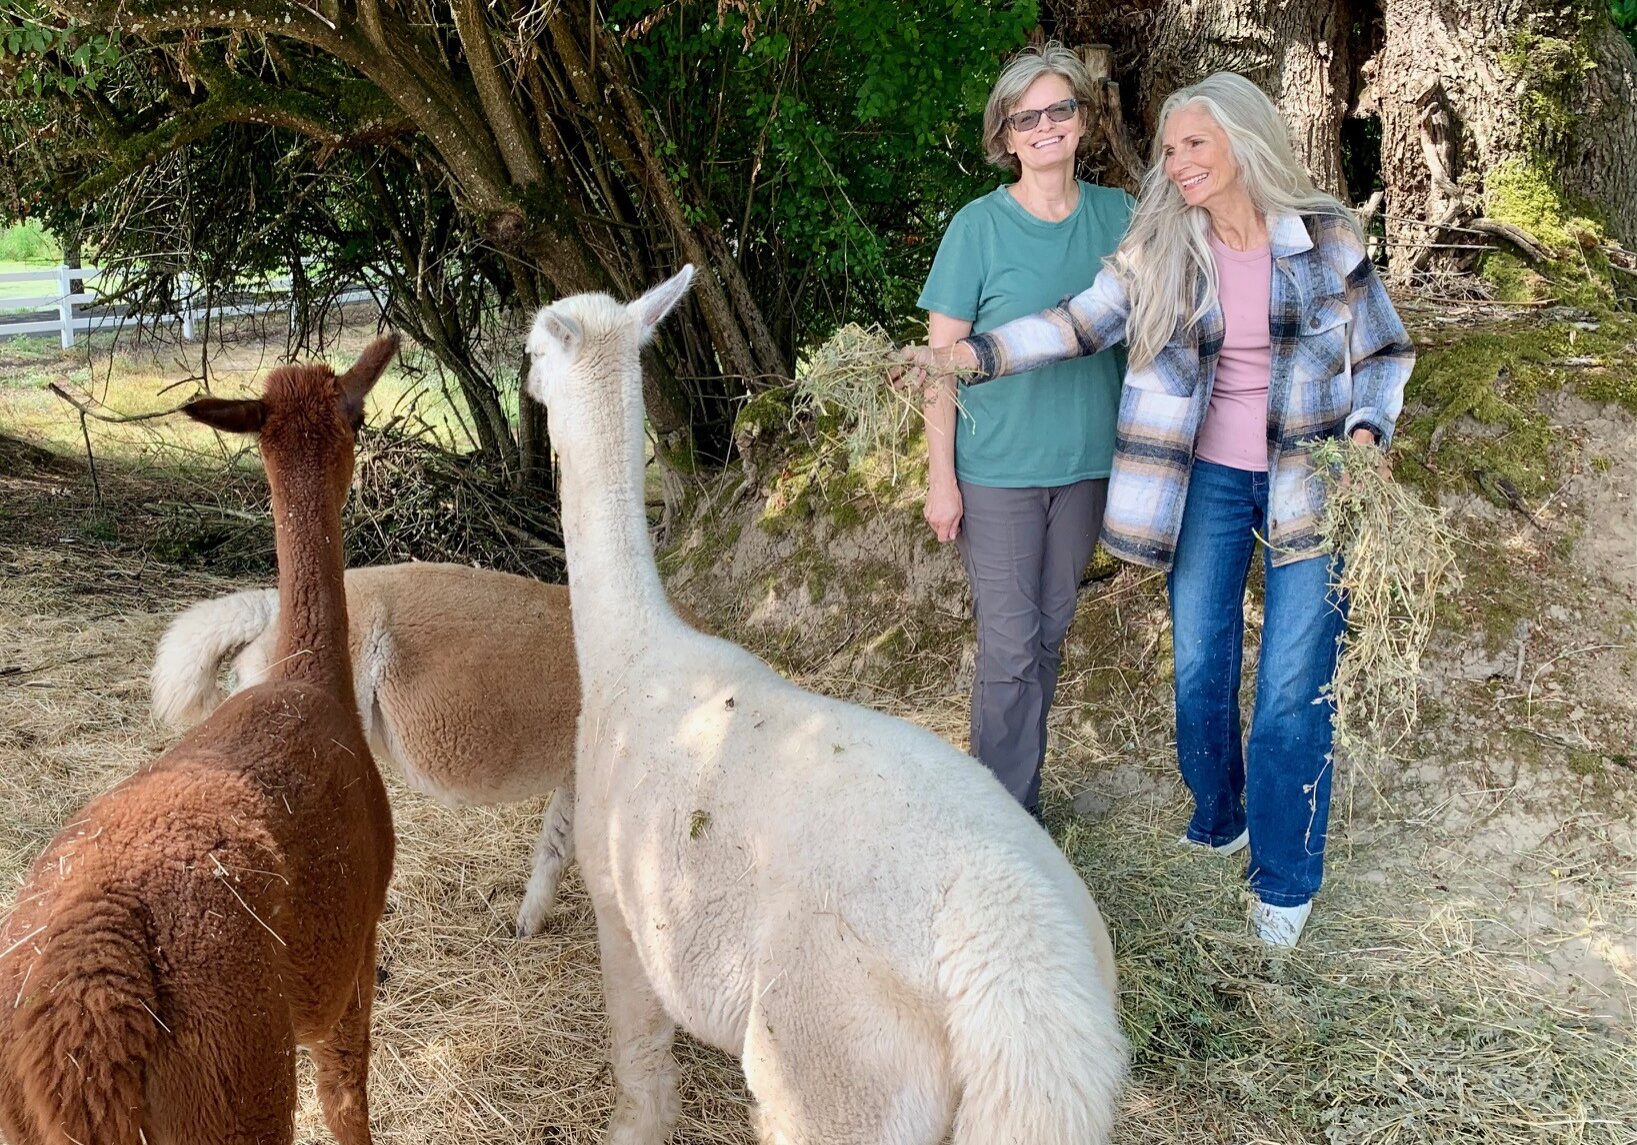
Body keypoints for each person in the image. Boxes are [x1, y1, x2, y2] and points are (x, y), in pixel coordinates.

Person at [901, 72, 1414, 947]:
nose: (1175, 164)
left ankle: (1283, 878)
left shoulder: (1323, 235)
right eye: (1169, 148)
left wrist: (1364, 435)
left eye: (1193, 146)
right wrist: (965, 359)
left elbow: (1383, 350)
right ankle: (1220, 817)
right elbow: (1073, 323)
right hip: (1206, 479)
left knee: (1292, 682)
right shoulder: (1161, 245)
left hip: (1308, 477)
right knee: (1199, 670)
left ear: (1243, 143)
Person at [917, 43, 1133, 820]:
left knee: (1047, 637)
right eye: (1026, 117)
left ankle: (1011, 797)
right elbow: (941, 364)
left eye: (1059, 110)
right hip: (997, 471)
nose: (1045, 127)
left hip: (1084, 467)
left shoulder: (1120, 216)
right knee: (1009, 650)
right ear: (1005, 136)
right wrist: (941, 478)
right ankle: (1004, 821)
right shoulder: (977, 228)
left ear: (1082, 120)